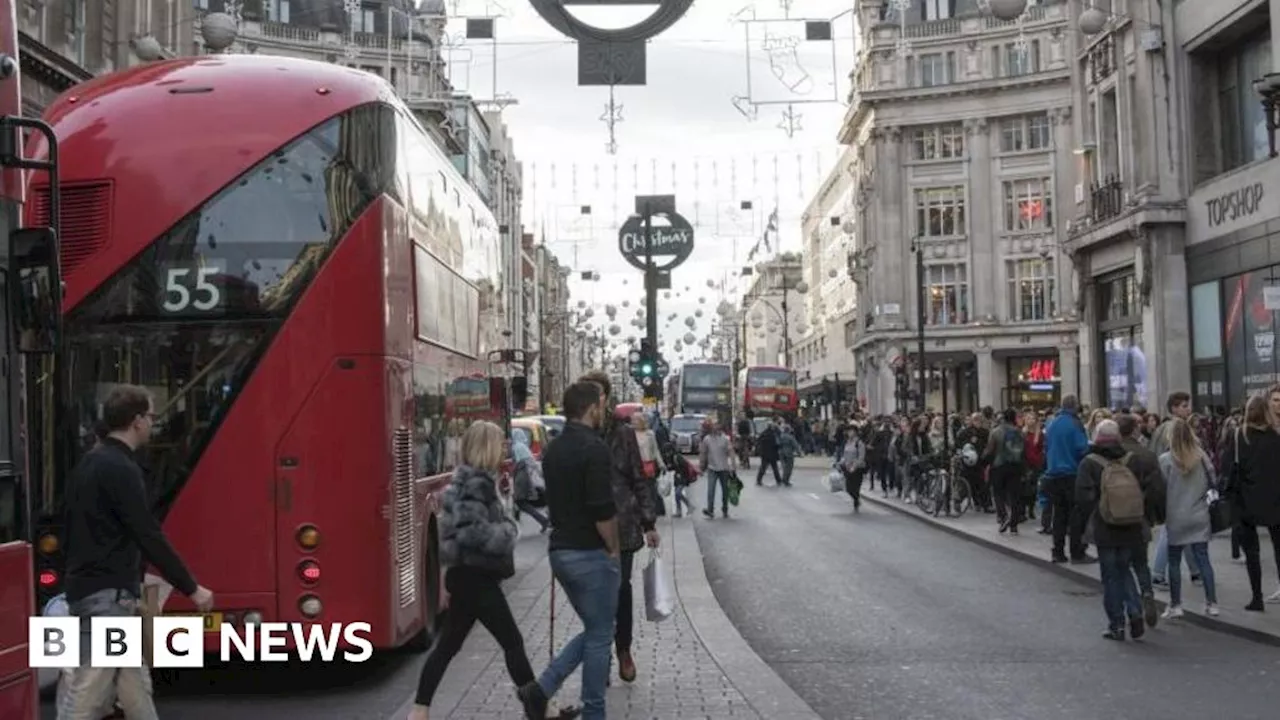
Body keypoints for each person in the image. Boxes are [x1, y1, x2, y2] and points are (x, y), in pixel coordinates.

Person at [59, 385, 214, 720]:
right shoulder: (121, 469)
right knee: (89, 689)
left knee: (135, 687)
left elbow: (68, 528)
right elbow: (147, 534)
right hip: (108, 596)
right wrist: (191, 587)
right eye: (150, 416)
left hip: (92, 589)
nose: (153, 423)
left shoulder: (89, 464)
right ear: (136, 421)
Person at [411, 422, 545, 720]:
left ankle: (419, 710)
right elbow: (472, 532)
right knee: (511, 641)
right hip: (476, 578)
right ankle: (539, 709)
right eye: (499, 443)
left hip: (466, 576)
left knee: (448, 646)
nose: (504, 449)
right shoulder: (477, 483)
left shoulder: (470, 479)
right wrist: (508, 531)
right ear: (487, 447)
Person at [523, 382, 620, 720]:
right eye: (602, 405)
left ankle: (539, 691)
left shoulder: (554, 449)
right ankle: (594, 711)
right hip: (589, 552)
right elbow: (601, 508)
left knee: (597, 628)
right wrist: (613, 548)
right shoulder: (594, 449)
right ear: (591, 407)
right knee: (600, 636)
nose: (604, 411)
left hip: (560, 550)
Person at [578, 371, 659, 685]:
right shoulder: (578, 433)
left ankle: (623, 648)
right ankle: (601, 655)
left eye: (597, 393)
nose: (593, 399)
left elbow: (640, 477)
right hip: (587, 528)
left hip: (622, 523)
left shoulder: (623, 434)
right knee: (593, 594)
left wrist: (649, 522)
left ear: (606, 397)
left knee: (620, 590)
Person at [1075, 419, 1161, 641]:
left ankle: (1117, 624)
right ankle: (1134, 613)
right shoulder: (1133, 460)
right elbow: (1147, 489)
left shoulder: (1089, 463)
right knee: (1125, 570)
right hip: (1131, 525)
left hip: (1105, 526)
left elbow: (1083, 499)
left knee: (1110, 576)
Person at [1223, 393, 1280, 611]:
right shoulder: (1276, 436)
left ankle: (1257, 597)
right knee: (1278, 549)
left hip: (1245, 500)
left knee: (1252, 552)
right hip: (1275, 499)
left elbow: (1228, 466)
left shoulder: (1239, 436)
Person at [1158, 418, 1219, 619]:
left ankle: (1176, 604)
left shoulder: (1165, 460)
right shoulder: (1201, 456)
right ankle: (1212, 603)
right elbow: (1213, 480)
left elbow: (1161, 489)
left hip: (1175, 515)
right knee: (1204, 560)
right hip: (1199, 514)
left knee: (1174, 562)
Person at [1045, 395, 1092, 564]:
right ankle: (1077, 552)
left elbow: (1047, 447)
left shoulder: (1052, 423)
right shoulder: (1075, 423)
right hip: (1071, 473)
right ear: (1075, 407)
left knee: (1059, 515)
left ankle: (1058, 552)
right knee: (1076, 515)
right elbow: (1082, 448)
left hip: (1053, 474)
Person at [985, 408, 1027, 534]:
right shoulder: (1019, 432)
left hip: (999, 466)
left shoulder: (996, 432)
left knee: (998, 493)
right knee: (1014, 495)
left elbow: (989, 450)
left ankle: (1003, 517)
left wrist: (985, 461)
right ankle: (1014, 525)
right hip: (1015, 466)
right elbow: (1024, 451)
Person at [700, 420, 737, 518]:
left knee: (725, 490)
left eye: (716, 425)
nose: (714, 427)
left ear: (720, 427)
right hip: (712, 468)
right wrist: (701, 467)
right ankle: (710, 510)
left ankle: (725, 509)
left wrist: (733, 466)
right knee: (710, 490)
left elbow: (731, 452)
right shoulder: (706, 439)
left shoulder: (725, 439)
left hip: (724, 469)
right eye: (713, 426)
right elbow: (703, 454)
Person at [838, 426, 867, 512]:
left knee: (856, 487)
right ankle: (856, 499)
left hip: (857, 469)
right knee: (848, 488)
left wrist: (855, 466)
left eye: (851, 431)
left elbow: (861, 457)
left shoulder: (859, 443)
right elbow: (845, 455)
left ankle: (856, 501)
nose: (849, 433)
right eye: (848, 431)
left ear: (855, 432)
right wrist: (840, 462)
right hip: (847, 467)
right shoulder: (848, 442)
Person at [755, 417, 784, 486]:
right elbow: (777, 443)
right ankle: (778, 480)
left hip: (765, 453)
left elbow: (758, 442)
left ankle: (759, 480)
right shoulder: (773, 434)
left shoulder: (764, 433)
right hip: (772, 453)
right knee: (774, 468)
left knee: (763, 468)